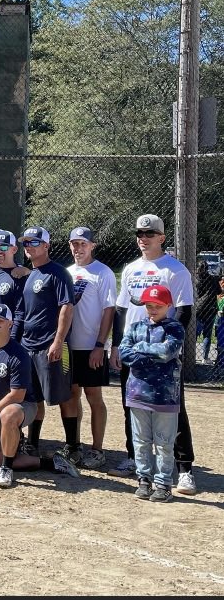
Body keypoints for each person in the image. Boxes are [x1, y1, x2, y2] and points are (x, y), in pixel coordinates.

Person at [110, 214, 197, 495]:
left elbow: (183, 310)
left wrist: (169, 343)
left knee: (173, 407)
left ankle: (184, 469)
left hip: (163, 355)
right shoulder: (131, 269)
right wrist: (116, 345)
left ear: (162, 237)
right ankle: (135, 460)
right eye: (139, 234)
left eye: (149, 234)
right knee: (133, 405)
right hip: (135, 351)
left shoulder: (176, 270)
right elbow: (121, 310)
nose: (143, 238)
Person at [0, 303, 80, 488]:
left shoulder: (19, 354)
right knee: (3, 457)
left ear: (10, 324)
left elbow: (17, 395)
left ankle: (6, 470)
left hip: (24, 406)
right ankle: (52, 462)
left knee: (9, 414)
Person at [119, 285, 184, 503]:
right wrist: (149, 355)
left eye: (158, 306)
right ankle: (144, 480)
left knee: (164, 442)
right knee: (141, 441)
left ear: (168, 306)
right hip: (137, 394)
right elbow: (124, 353)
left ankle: (163, 483)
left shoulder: (174, 328)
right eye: (149, 306)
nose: (153, 310)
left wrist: (140, 348)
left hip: (165, 396)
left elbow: (167, 352)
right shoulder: (136, 327)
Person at [18, 226, 77, 459]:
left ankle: (73, 446)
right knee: (33, 398)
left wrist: (58, 340)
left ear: (46, 246)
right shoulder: (31, 275)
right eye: (26, 243)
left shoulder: (58, 273)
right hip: (29, 345)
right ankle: (33, 443)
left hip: (51, 345)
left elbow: (67, 307)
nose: (29, 247)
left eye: (34, 242)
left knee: (63, 396)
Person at [66, 227, 117, 469]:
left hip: (91, 346)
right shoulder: (67, 272)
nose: (78, 248)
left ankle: (97, 450)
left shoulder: (103, 272)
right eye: (74, 244)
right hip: (69, 346)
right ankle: (74, 445)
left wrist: (99, 345)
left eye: (83, 244)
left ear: (92, 245)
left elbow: (109, 310)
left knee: (93, 395)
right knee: (71, 394)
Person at [195, 260, 219, 364]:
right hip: (210, 309)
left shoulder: (195, 279)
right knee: (207, 334)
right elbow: (219, 291)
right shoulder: (212, 279)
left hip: (198, 308)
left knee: (194, 334)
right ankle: (204, 358)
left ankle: (190, 356)